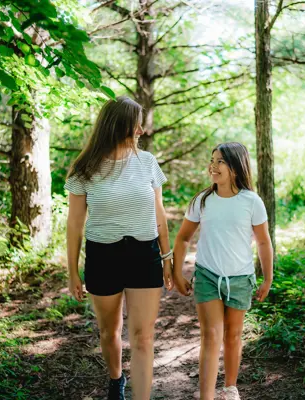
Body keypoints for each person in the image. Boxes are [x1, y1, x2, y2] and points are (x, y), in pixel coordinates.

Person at [65, 97, 173, 400]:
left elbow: (159, 211)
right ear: (120, 125)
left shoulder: (147, 161)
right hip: (103, 257)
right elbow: (74, 224)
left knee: (143, 336)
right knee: (109, 331)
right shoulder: (85, 167)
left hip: (144, 255)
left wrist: (166, 257)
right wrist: (72, 271)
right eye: (136, 122)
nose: (141, 129)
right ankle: (116, 381)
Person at [173, 142, 273, 400]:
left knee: (233, 335)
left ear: (236, 168)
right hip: (207, 276)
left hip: (240, 278)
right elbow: (183, 238)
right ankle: (206, 396)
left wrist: (268, 277)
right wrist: (176, 272)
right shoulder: (202, 200)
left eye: (220, 162)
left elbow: (263, 241)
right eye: (212, 160)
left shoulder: (251, 201)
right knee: (211, 335)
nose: (213, 166)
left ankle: (230, 388)